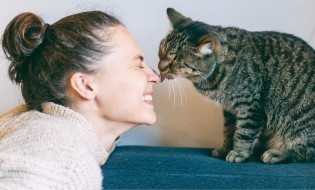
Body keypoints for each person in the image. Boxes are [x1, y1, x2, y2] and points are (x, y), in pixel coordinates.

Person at [0, 10, 160, 189]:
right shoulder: (66, 162)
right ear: (85, 86)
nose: (155, 77)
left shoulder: (36, 127)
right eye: (138, 65)